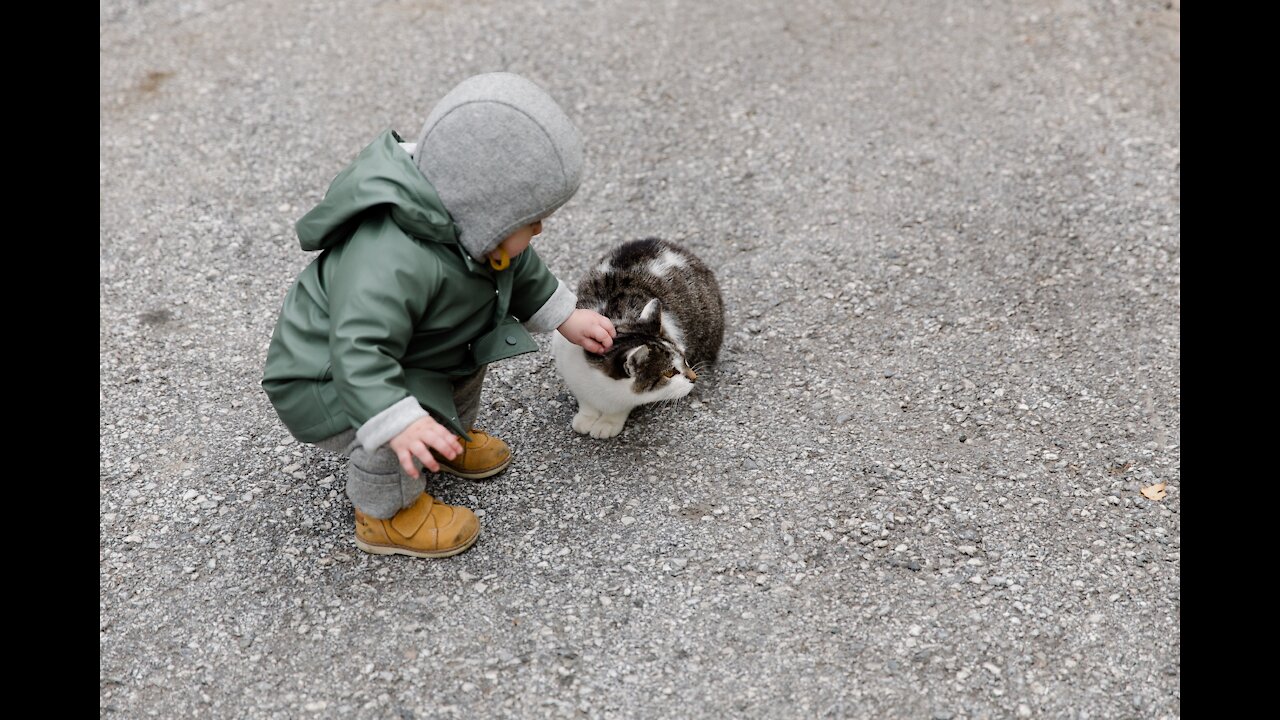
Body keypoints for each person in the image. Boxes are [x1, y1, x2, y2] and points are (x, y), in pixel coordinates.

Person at [261, 73, 615, 558]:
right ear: (483, 210)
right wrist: (399, 421)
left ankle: (446, 439)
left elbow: (519, 267)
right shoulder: (390, 259)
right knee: (396, 424)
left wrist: (564, 315)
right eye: (528, 218)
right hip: (329, 376)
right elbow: (358, 350)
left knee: (467, 361)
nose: (539, 226)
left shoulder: (474, 229)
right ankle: (386, 515)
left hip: (415, 349)